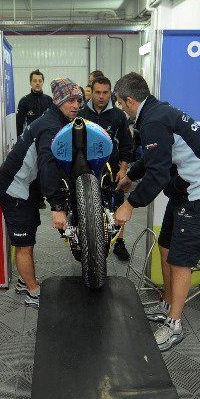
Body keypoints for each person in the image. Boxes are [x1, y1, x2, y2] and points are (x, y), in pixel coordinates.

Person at [113, 72, 200, 351]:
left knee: (180, 261)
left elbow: (158, 174)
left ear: (129, 100)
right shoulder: (155, 113)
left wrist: (130, 204)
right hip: (184, 192)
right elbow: (152, 157)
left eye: (119, 103)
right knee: (165, 246)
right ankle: (168, 305)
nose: (119, 108)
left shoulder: (154, 120)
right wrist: (130, 174)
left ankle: (174, 325)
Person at [0, 78, 82, 308]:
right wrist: (57, 207)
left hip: (27, 186)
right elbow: (48, 166)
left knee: (29, 235)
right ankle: (33, 292)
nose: (75, 105)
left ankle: (25, 283)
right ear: (58, 101)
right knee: (24, 243)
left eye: (78, 100)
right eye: (70, 101)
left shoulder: (56, 119)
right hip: (15, 189)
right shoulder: (51, 126)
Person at [80, 75, 136, 261]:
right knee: (86, 205)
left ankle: (119, 241)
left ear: (110, 93)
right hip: (85, 170)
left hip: (112, 170)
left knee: (117, 204)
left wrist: (123, 170)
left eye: (105, 92)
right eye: (97, 92)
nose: (101, 96)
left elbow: (128, 146)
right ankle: (86, 238)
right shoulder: (81, 115)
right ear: (92, 92)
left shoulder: (119, 116)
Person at [16, 69, 52, 137]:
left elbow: (53, 120)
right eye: (35, 81)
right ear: (30, 83)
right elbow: (19, 124)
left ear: (43, 82)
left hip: (46, 137)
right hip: (30, 139)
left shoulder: (49, 100)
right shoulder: (24, 101)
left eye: (40, 81)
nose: (37, 83)